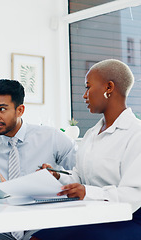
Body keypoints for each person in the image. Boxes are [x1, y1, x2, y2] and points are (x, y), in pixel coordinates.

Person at [32, 59, 141, 240]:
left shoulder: (136, 133)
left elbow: (133, 194)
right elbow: (80, 177)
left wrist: (87, 192)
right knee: (37, 236)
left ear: (109, 88)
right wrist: (58, 176)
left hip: (129, 220)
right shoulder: (91, 134)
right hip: (93, 215)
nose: (84, 95)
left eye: (88, 87)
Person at [0, 79, 77, 240]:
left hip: (43, 226)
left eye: (2, 109)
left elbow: (79, 176)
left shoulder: (52, 138)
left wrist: (56, 176)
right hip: (2, 227)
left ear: (20, 110)